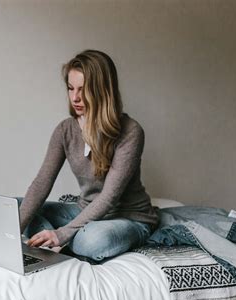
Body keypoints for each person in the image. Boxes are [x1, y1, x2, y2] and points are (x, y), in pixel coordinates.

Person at [18, 49, 159, 263]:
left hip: (128, 218)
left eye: (83, 90)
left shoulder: (131, 131)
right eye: (70, 88)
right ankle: (49, 242)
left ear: (102, 90)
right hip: (83, 211)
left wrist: (62, 234)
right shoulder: (65, 130)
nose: (75, 97)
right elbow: (41, 183)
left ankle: (59, 240)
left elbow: (109, 198)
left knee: (91, 241)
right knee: (14, 207)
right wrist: (12, 230)